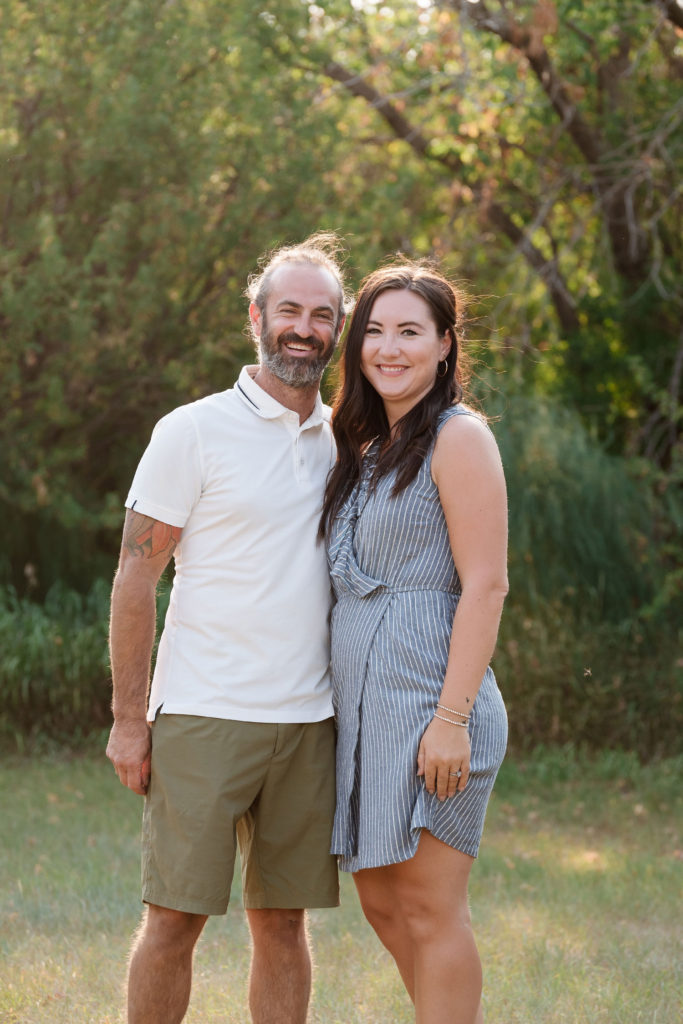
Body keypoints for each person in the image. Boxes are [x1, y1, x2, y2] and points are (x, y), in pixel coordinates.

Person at [106, 232, 348, 1024]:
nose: (303, 328)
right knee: (174, 920)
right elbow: (136, 576)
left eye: (321, 314)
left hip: (309, 721)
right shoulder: (192, 431)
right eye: (289, 310)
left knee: (283, 923)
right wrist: (126, 722)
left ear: (337, 328)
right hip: (204, 715)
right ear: (256, 315)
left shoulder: (346, 442)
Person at [320, 262, 509, 1024]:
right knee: (384, 907)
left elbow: (486, 585)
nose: (387, 348)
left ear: (442, 345)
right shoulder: (368, 449)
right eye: (373, 330)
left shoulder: (457, 439)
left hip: (433, 703)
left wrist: (450, 719)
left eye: (408, 331)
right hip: (367, 714)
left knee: (431, 911)